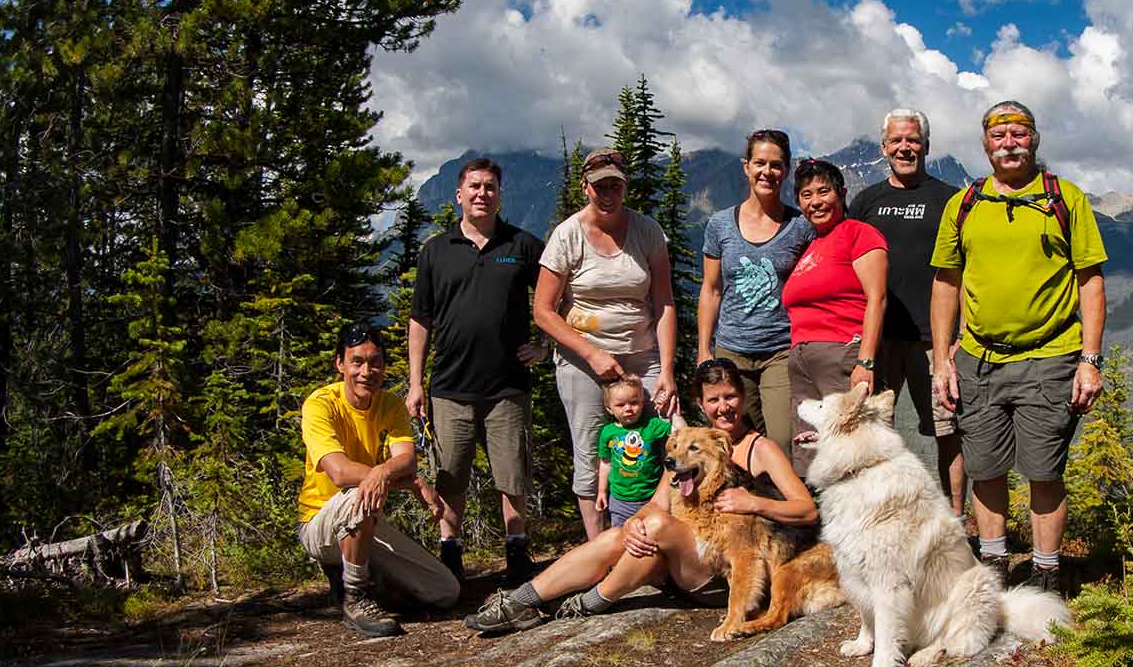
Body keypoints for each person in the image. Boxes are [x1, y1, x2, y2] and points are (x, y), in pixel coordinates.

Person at [465, 357, 818, 633]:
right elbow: (655, 504)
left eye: (730, 397)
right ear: (701, 403)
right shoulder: (689, 446)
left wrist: (755, 502)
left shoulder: (761, 448)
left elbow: (807, 511)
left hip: (719, 573)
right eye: (713, 400)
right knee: (619, 535)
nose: (723, 407)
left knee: (660, 527)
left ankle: (583, 604)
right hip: (682, 562)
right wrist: (634, 523)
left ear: (742, 398)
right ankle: (520, 602)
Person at [930, 100, 1108, 596]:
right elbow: (946, 282)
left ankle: (1046, 574)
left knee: (1043, 470)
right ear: (985, 143)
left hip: (1050, 355)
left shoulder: (1064, 198)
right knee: (984, 468)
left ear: (1034, 138)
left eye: (1019, 133)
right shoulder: (965, 204)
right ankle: (994, 567)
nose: (1009, 142)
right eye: (998, 134)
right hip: (978, 357)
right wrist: (943, 359)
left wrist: (1089, 361)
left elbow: (1091, 281)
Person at [407, 157, 543, 588]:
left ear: (500, 194)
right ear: (459, 195)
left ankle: (517, 552)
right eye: (475, 186)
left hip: (508, 386)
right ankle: (451, 554)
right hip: (449, 387)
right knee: (451, 477)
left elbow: (557, 294)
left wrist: (545, 343)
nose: (483, 193)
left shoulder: (521, 245)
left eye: (490, 187)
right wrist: (416, 382)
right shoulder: (436, 250)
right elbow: (420, 319)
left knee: (512, 475)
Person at [534, 147, 679, 540]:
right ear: (586, 188)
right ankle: (598, 547)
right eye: (600, 186)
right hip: (583, 359)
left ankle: (658, 534)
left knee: (668, 435)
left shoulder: (648, 232)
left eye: (615, 184)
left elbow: (663, 300)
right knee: (590, 449)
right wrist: (591, 353)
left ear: (625, 186)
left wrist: (666, 370)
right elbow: (543, 311)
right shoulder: (567, 235)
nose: (608, 193)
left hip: (642, 352)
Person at [297, 323, 459, 638]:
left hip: (362, 518)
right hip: (319, 522)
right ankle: (356, 594)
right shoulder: (320, 404)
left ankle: (358, 575)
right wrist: (406, 481)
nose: (366, 371)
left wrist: (390, 473)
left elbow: (405, 459)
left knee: (445, 591)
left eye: (375, 362)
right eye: (357, 361)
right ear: (340, 364)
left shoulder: (390, 404)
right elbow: (340, 472)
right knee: (359, 491)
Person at [847, 108, 967, 519]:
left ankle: (955, 520)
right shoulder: (865, 201)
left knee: (949, 432)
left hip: (935, 340)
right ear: (884, 147)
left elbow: (964, 271)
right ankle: (885, 517)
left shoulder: (950, 199)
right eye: (896, 140)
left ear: (926, 145)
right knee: (875, 432)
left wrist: (959, 336)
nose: (905, 147)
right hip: (879, 340)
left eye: (913, 140)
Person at [697, 128, 814, 444]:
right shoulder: (720, 224)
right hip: (731, 350)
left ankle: (784, 494)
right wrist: (703, 350)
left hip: (781, 349)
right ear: (745, 166)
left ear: (786, 170)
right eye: (760, 163)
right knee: (733, 440)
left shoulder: (801, 226)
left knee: (780, 440)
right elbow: (711, 289)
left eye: (776, 165)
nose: (767, 172)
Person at [780, 158, 888, 475]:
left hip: (842, 353)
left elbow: (877, 299)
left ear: (841, 193)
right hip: (801, 361)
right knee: (809, 454)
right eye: (806, 194)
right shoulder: (811, 245)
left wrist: (865, 361)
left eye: (823, 191)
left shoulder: (860, 234)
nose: (816, 202)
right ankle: (815, 524)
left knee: (850, 451)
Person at [596, 374, 673, 527]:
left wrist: (666, 410)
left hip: (651, 497)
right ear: (609, 408)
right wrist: (601, 491)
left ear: (643, 402)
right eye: (620, 405)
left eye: (634, 402)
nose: (628, 409)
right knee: (621, 536)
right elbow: (605, 463)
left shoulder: (653, 426)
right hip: (620, 500)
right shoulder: (608, 432)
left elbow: (679, 432)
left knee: (653, 536)